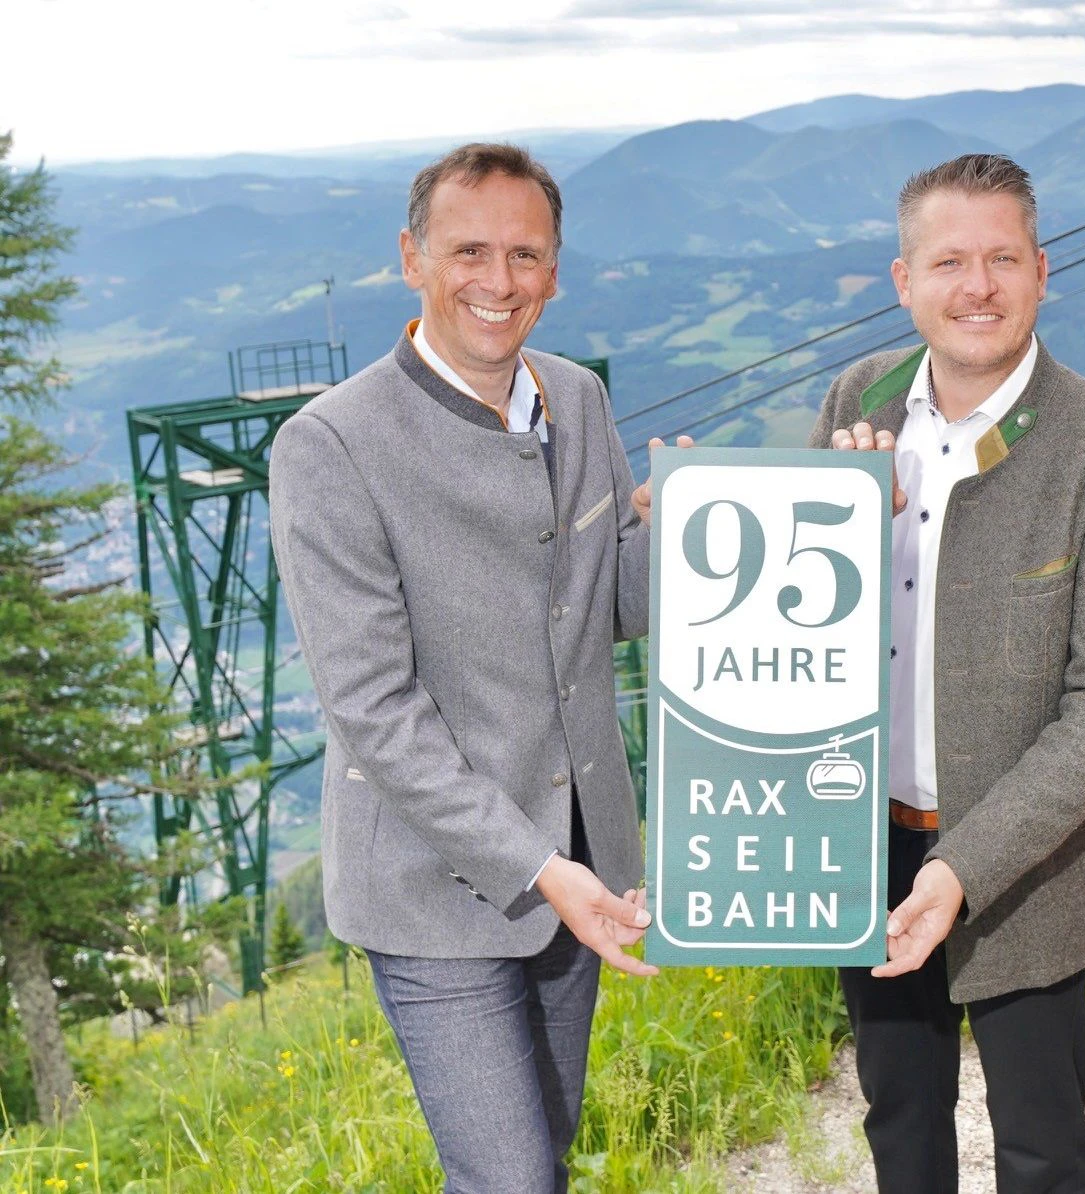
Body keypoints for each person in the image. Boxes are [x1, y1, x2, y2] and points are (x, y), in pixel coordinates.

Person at [269, 142, 657, 1193]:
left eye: (525, 254)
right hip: (434, 889)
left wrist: (713, 530)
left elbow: (613, 604)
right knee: (510, 1178)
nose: (499, 281)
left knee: (546, 1154)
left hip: (580, 848)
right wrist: (538, 869)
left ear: (555, 270)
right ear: (411, 257)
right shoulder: (331, 445)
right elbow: (371, 708)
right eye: (469, 251)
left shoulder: (575, 399)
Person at [810, 153, 1085, 1193]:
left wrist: (966, 867)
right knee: (900, 1122)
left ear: (1040, 272)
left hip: (1026, 872)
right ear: (903, 280)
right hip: (869, 844)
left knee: (1040, 1148)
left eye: (1000, 259)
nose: (976, 287)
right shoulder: (857, 400)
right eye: (948, 262)